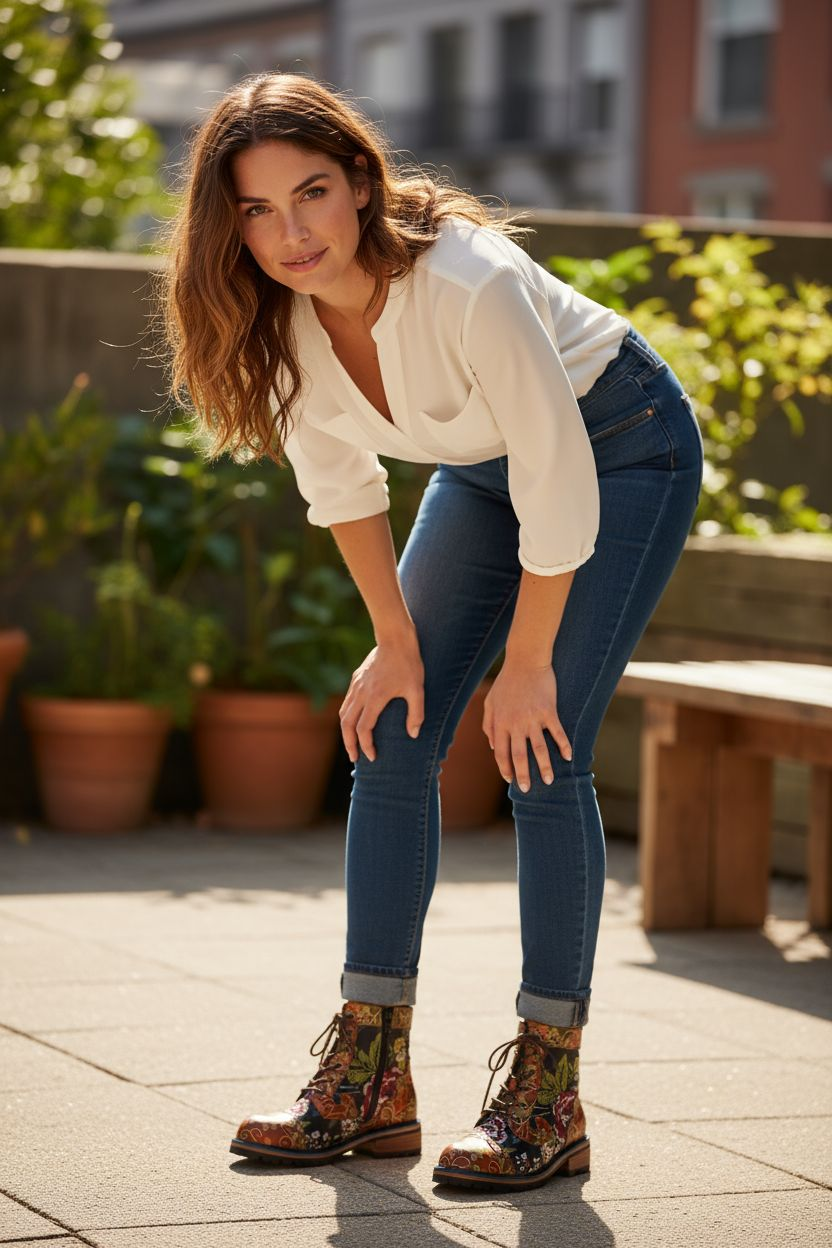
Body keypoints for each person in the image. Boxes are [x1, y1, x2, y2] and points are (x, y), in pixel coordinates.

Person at [158, 71, 703, 1192]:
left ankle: (547, 1094)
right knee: (393, 732)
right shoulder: (278, 314)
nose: (291, 234)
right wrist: (395, 643)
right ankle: (369, 1080)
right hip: (484, 469)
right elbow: (341, 484)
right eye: (257, 210)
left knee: (542, 749)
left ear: (361, 182)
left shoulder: (468, 282)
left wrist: (527, 665)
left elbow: (556, 478)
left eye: (311, 193)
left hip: (620, 448)